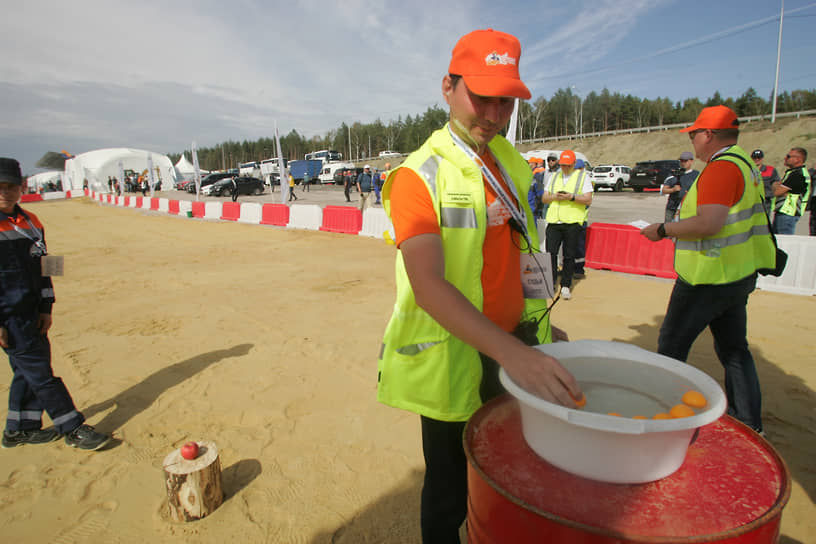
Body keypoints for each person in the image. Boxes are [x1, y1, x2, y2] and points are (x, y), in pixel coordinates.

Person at [377, 29, 581, 544]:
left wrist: (538, 328)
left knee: (509, 473)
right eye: (481, 97)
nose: (493, 115)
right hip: (453, 363)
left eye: (505, 102)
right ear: (448, 87)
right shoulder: (417, 176)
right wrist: (516, 354)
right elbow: (428, 285)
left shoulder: (510, 163)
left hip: (512, 347)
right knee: (447, 493)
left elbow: (516, 259)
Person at [639, 105, 776, 434]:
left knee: (671, 348)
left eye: (694, 134)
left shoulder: (721, 169)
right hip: (736, 275)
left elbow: (709, 223)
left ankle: (664, 424)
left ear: (708, 135)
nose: (692, 140)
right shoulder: (745, 164)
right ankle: (750, 424)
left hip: (707, 277)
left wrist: (662, 230)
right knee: (734, 350)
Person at [0, 157, 111, 451]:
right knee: (41, 374)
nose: (4, 193)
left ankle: (18, 430)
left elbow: (50, 265)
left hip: (33, 312)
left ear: (21, 186)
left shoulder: (33, 222)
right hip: (9, 317)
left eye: (10, 186)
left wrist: (47, 308)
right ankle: (72, 427)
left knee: (27, 371)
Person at [541, 150, 593, 300]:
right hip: (554, 221)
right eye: (562, 165)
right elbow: (544, 198)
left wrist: (571, 197)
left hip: (572, 222)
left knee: (569, 256)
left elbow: (588, 200)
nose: (564, 168)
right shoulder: (555, 176)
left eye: (567, 165)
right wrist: (554, 197)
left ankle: (565, 285)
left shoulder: (583, 177)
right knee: (550, 253)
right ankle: (550, 284)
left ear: (574, 164)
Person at [771, 147, 810, 235]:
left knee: (784, 242)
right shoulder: (792, 172)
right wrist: (779, 187)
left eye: (788, 156)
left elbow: (777, 192)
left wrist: (779, 187)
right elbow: (776, 187)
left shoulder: (798, 175)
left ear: (798, 159)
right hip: (784, 212)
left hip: (788, 213)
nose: (785, 158)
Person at [661, 151, 699, 223]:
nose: (683, 163)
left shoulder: (696, 175)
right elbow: (664, 190)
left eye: (685, 161)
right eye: (681, 161)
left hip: (688, 209)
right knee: (668, 229)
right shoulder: (673, 173)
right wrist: (673, 190)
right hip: (672, 208)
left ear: (691, 161)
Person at [750, 149, 779, 215]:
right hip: (750, 201)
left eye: (759, 158)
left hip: (765, 202)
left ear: (762, 158)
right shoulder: (746, 169)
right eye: (754, 158)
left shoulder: (770, 170)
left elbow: (776, 184)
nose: (756, 159)